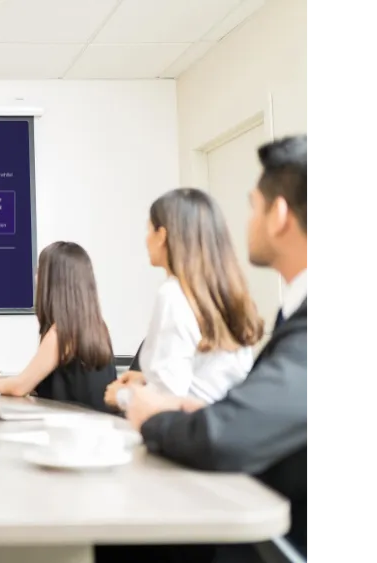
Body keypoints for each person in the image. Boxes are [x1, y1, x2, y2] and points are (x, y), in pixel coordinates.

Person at [119, 135, 313, 562]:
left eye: (252, 206)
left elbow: (223, 440)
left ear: (278, 215)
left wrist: (154, 415)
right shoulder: (293, 313)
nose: (245, 223)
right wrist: (200, 413)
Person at [105, 188, 263, 410]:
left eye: (149, 229)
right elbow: (204, 377)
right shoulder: (226, 296)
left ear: (163, 236)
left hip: (191, 436)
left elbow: (168, 399)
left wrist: (122, 396)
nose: (146, 239)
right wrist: (145, 380)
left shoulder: (173, 294)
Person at [0, 241, 117, 412]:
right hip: (97, 428)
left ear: (53, 281)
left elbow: (21, 386)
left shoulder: (63, 334)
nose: (35, 278)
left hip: (78, 432)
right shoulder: (96, 327)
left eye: (39, 271)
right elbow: (36, 381)